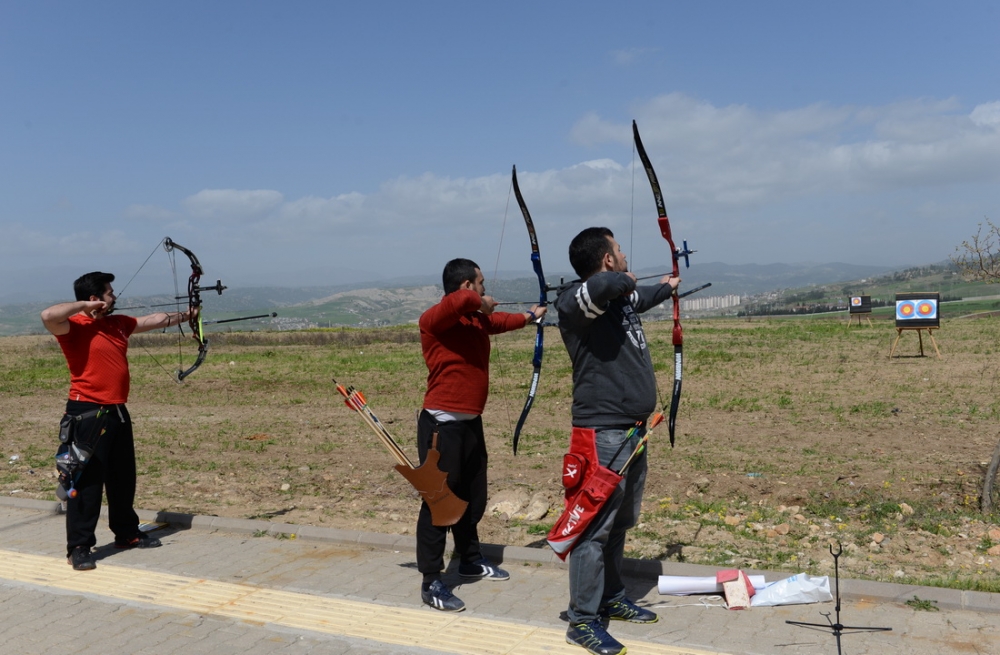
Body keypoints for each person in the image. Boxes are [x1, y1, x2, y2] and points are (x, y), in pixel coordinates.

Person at [555, 228, 680, 655]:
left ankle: (610, 597)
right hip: (601, 435)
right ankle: (582, 621)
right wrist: (624, 279)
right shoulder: (575, 302)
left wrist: (667, 286)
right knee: (592, 530)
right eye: (619, 250)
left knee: (619, 523)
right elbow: (604, 287)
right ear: (607, 260)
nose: (625, 255)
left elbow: (637, 297)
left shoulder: (616, 300)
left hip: (632, 431)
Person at [416, 258, 547, 611]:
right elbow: (462, 302)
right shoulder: (435, 319)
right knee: (440, 503)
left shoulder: (473, 319)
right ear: (467, 286)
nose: (485, 289)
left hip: (469, 424)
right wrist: (480, 302)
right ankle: (431, 581)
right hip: (441, 426)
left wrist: (531, 316)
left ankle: (470, 559)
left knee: (471, 496)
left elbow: (500, 321)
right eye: (481, 283)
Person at [41, 271, 190, 571]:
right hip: (87, 413)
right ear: (94, 298)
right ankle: (79, 547)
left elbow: (154, 320)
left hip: (117, 410)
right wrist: (85, 307)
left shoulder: (118, 323)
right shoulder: (73, 326)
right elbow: (48, 315)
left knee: (123, 476)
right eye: (109, 292)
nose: (114, 296)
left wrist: (189, 314)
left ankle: (126, 533)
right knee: (87, 482)